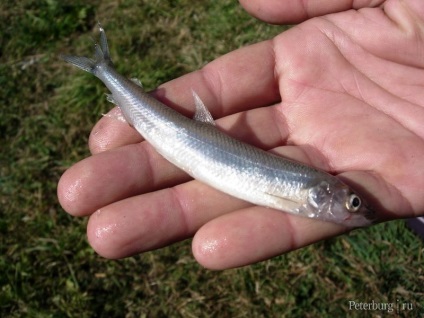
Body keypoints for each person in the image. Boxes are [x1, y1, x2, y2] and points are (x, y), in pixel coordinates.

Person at [57, 0, 424, 269]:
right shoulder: (306, 189)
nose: (355, 209)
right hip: (178, 136)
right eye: (352, 204)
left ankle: (104, 69)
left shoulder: (309, 192)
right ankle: (104, 69)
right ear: (323, 193)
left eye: (354, 203)